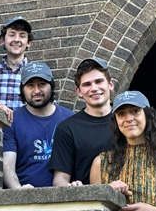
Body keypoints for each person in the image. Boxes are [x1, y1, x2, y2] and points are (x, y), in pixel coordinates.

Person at [2, 62, 73, 189]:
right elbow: (7, 165)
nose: (36, 91)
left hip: (65, 196)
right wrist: (18, 191)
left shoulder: (70, 119)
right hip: (25, 198)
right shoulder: (11, 121)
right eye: (30, 85)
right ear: (22, 89)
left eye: (42, 84)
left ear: (51, 86)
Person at [48, 57, 114, 186]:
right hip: (90, 203)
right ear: (78, 91)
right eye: (87, 84)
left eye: (99, 81)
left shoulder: (127, 121)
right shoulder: (67, 129)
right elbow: (60, 179)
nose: (94, 88)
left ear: (110, 84)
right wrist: (71, 189)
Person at [0, 16, 32, 110]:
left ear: (28, 43)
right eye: (12, 34)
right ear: (2, 40)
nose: (17, 40)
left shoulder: (35, 73)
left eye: (22, 36)